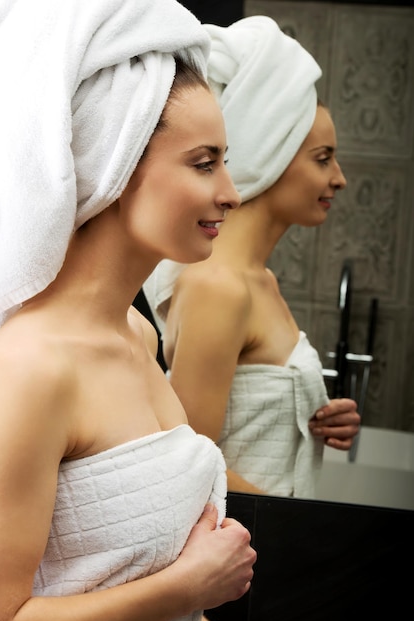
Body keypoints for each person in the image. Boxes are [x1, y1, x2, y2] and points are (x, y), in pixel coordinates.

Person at [0, 2, 256, 621]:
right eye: (203, 162)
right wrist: (190, 587)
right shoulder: (34, 366)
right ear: (114, 164)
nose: (231, 191)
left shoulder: (139, 331)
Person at [143, 15, 361, 498]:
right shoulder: (218, 287)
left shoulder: (258, 281)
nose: (339, 178)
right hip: (249, 547)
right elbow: (190, 466)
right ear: (272, 154)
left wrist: (317, 420)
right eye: (323, 158)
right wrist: (313, 529)